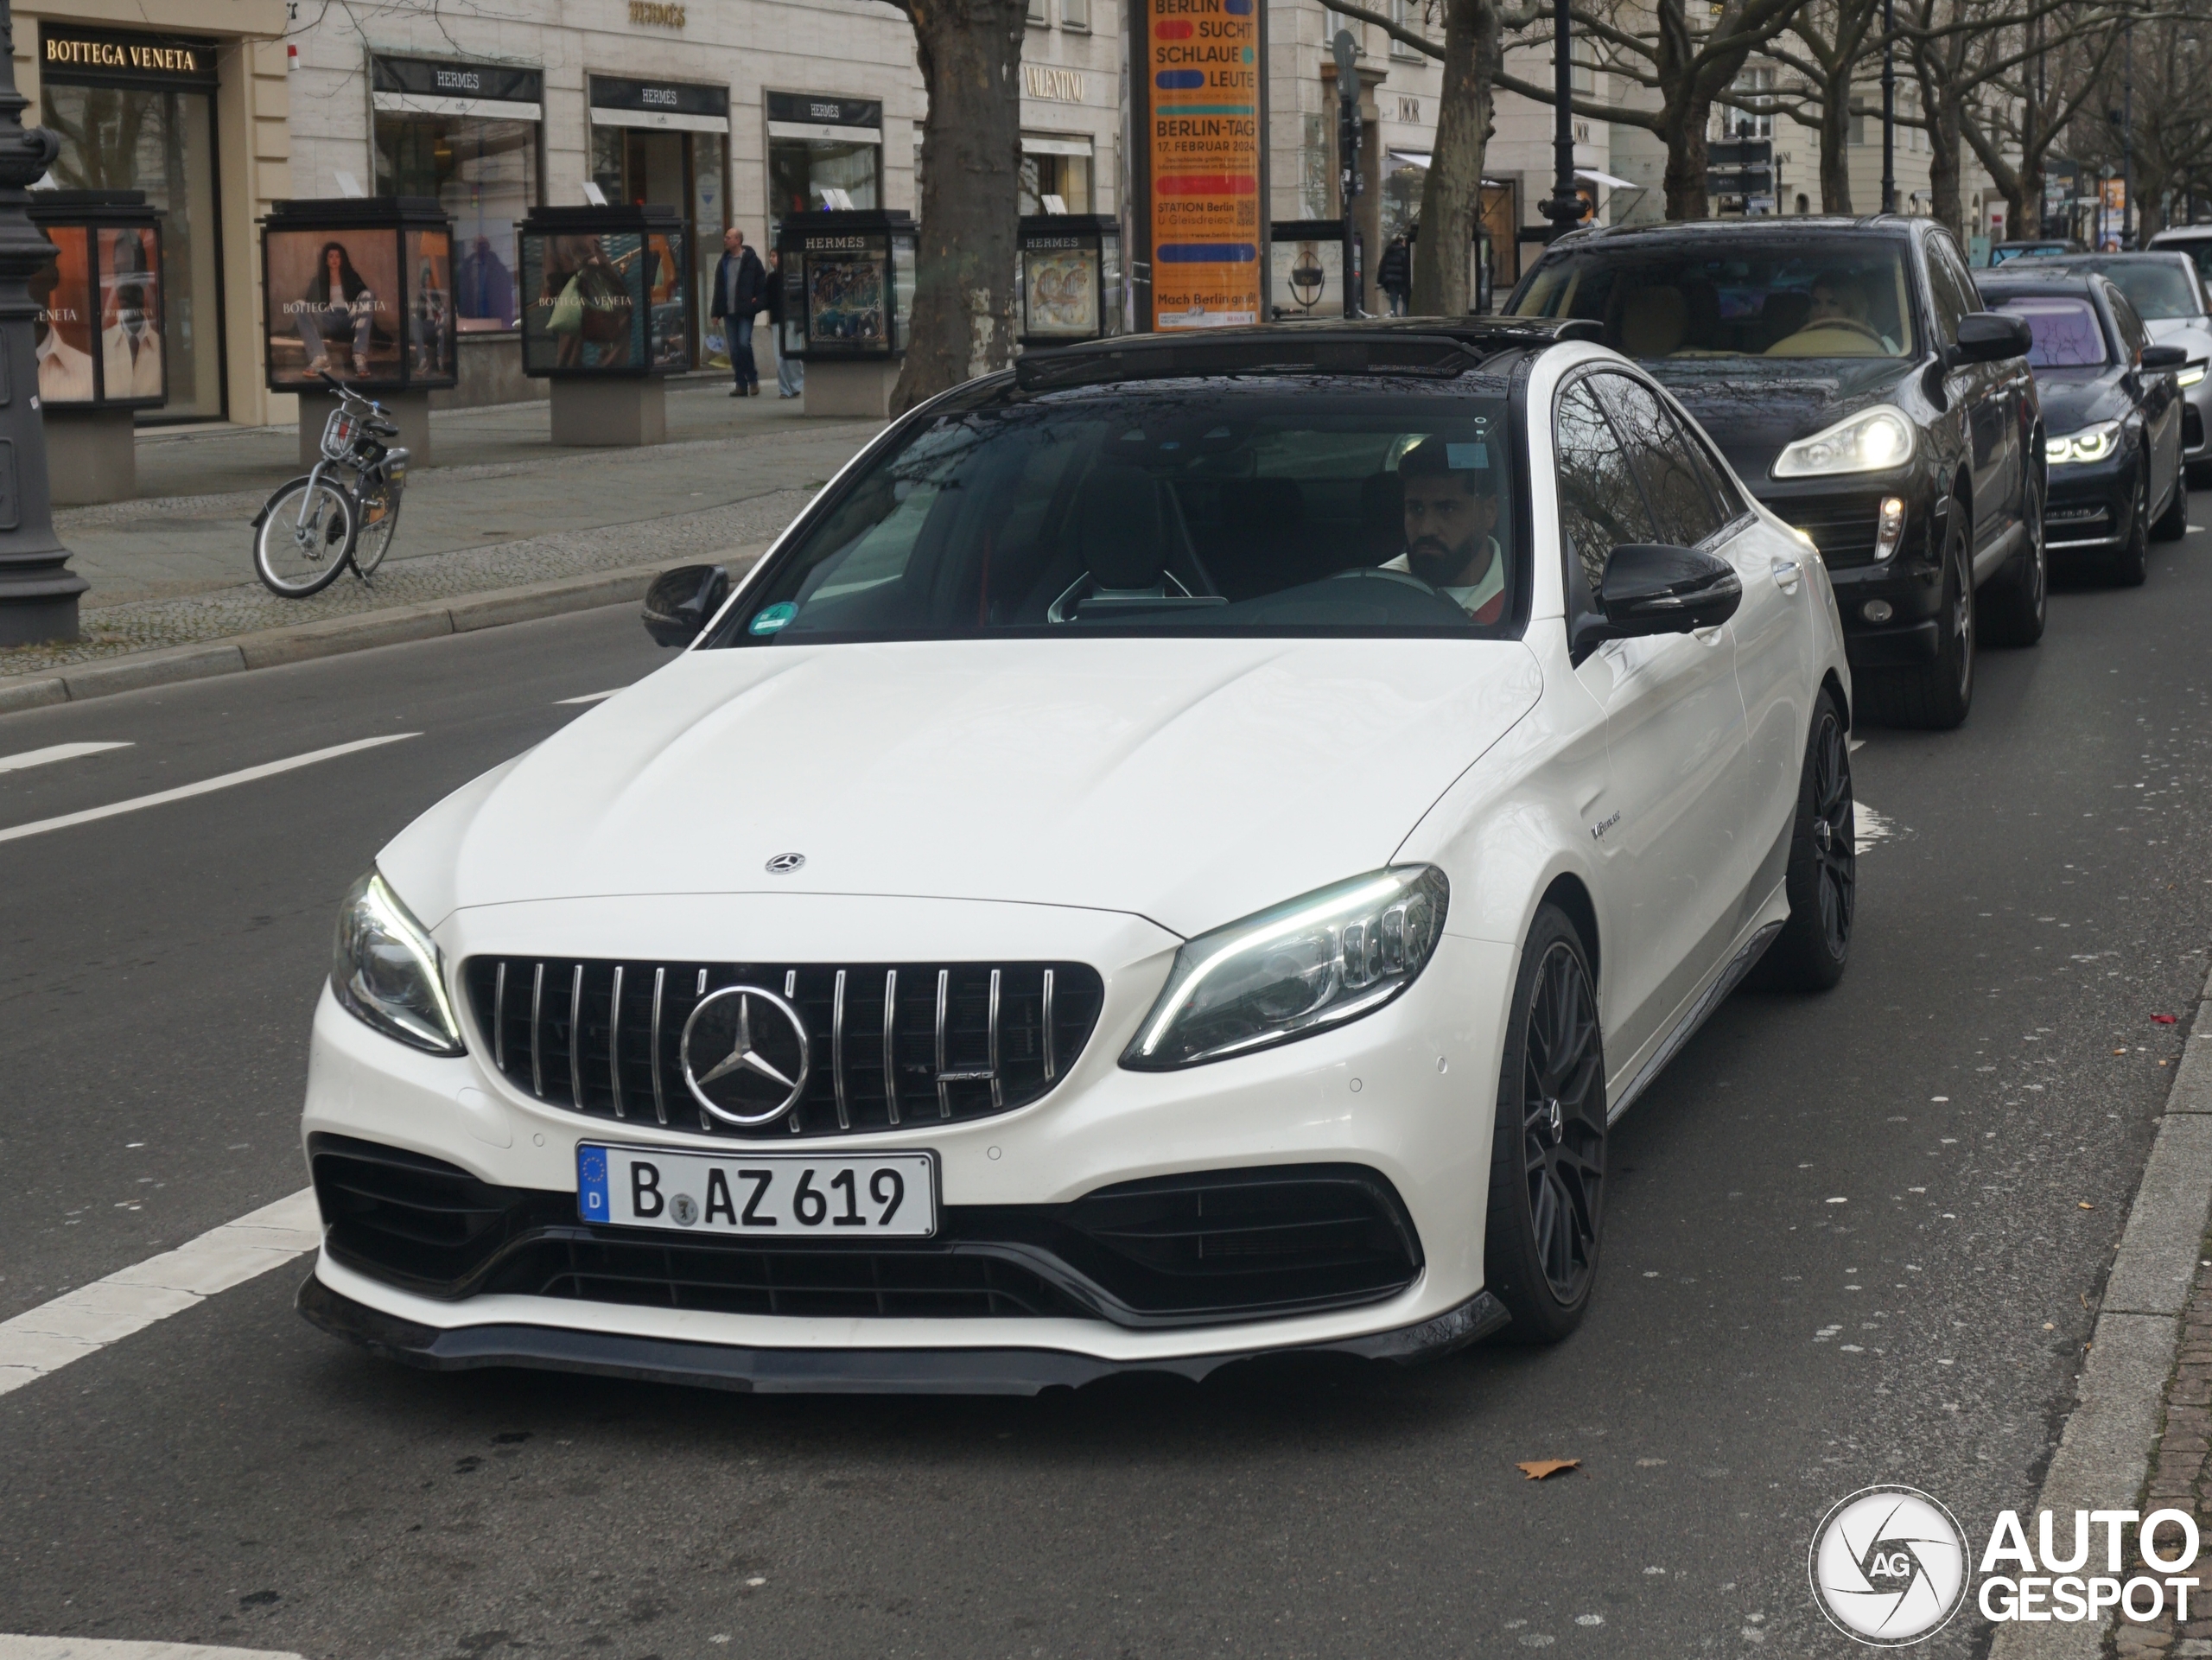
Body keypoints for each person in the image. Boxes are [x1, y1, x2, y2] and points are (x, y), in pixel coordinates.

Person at [1376, 436, 1506, 622]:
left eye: (1447, 508)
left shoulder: (1528, 597)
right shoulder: (1381, 587)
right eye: (1416, 509)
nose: (1425, 529)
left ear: (1489, 512)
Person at [296, 241, 376, 378]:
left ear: (342, 259)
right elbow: (311, 302)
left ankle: (359, 355)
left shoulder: (351, 276)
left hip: (349, 318)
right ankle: (320, 357)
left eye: (337, 256)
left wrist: (354, 306)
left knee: (368, 294)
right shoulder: (319, 280)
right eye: (331, 256)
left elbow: (364, 298)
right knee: (299, 304)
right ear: (326, 261)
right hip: (328, 319)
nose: (334, 259)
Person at [710, 225, 768, 396]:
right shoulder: (724, 262)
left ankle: (752, 379)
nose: (725, 240)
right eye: (726, 237)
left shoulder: (752, 261)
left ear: (738, 240)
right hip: (729, 312)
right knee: (734, 349)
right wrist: (715, 312)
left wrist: (756, 303)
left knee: (744, 344)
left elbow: (762, 285)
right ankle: (741, 384)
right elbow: (718, 288)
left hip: (745, 311)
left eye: (729, 237)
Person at [766, 248, 803, 398]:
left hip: (792, 321)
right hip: (778, 320)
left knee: (793, 355)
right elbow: (768, 299)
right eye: (770, 256)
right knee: (780, 356)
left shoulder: (795, 277)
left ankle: (796, 384)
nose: (771, 259)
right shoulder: (772, 278)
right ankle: (785, 389)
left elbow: (799, 300)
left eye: (774, 256)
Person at [1378, 232, 1413, 317]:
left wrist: (1381, 281)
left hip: (1391, 281)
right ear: (1401, 242)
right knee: (1406, 300)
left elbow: (1382, 267)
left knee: (1393, 301)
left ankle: (1393, 315)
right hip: (1402, 281)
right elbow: (1407, 268)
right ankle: (1405, 316)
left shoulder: (1388, 253)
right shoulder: (1404, 253)